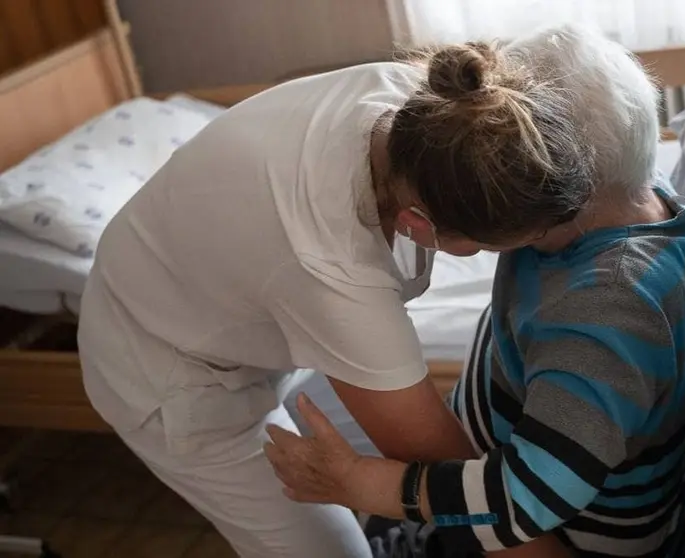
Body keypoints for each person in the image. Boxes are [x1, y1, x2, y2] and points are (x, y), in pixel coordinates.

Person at [75, 33, 589, 558]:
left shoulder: (447, 109)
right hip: (166, 366)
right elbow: (448, 477)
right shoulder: (331, 265)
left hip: (227, 287)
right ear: (418, 224)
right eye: (488, 248)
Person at [265, 26, 685, 558]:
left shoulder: (607, 311)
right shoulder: (637, 197)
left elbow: (524, 502)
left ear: (548, 182)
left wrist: (364, 483)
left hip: (564, 534)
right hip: (512, 473)